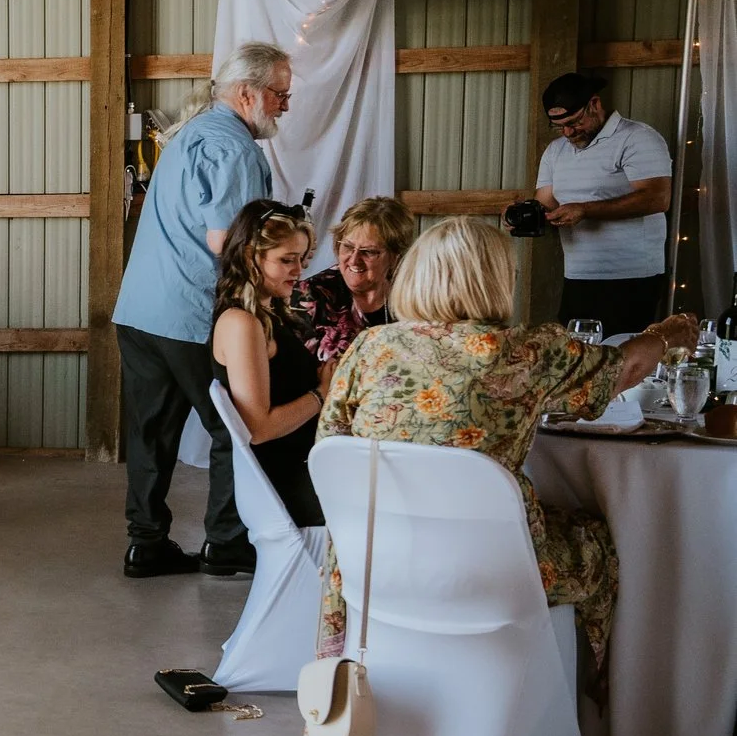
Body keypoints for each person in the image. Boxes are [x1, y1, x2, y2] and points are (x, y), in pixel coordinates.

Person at [315, 217, 698, 669]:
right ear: (496, 279)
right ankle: (590, 704)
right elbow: (625, 370)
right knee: (597, 538)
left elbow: (330, 447)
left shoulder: (370, 346)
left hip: (372, 561)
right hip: (487, 568)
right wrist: (667, 334)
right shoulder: (530, 351)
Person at [111, 41, 291, 579]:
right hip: (191, 313)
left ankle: (145, 545)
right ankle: (227, 542)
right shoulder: (234, 148)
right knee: (238, 426)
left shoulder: (188, 133)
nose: (285, 104)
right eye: (279, 93)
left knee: (151, 432)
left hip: (141, 308)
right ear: (246, 93)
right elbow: (224, 241)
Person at [208, 200, 325, 528]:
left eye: (302, 259)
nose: (298, 270)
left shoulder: (267, 313)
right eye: (287, 260)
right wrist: (322, 393)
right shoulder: (241, 324)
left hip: (300, 468)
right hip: (285, 486)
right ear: (250, 257)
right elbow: (258, 429)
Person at [534, 73, 674, 339]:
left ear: (595, 104)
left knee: (623, 357)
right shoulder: (555, 151)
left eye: (574, 122)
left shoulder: (638, 138)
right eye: (559, 126)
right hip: (577, 274)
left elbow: (657, 198)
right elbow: (545, 203)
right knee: (577, 356)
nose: (568, 132)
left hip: (631, 276)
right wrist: (523, 216)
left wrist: (586, 210)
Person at [291, 194, 417, 367]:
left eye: (369, 251)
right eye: (348, 247)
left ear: (394, 257)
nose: (354, 260)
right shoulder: (308, 295)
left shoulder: (412, 297)